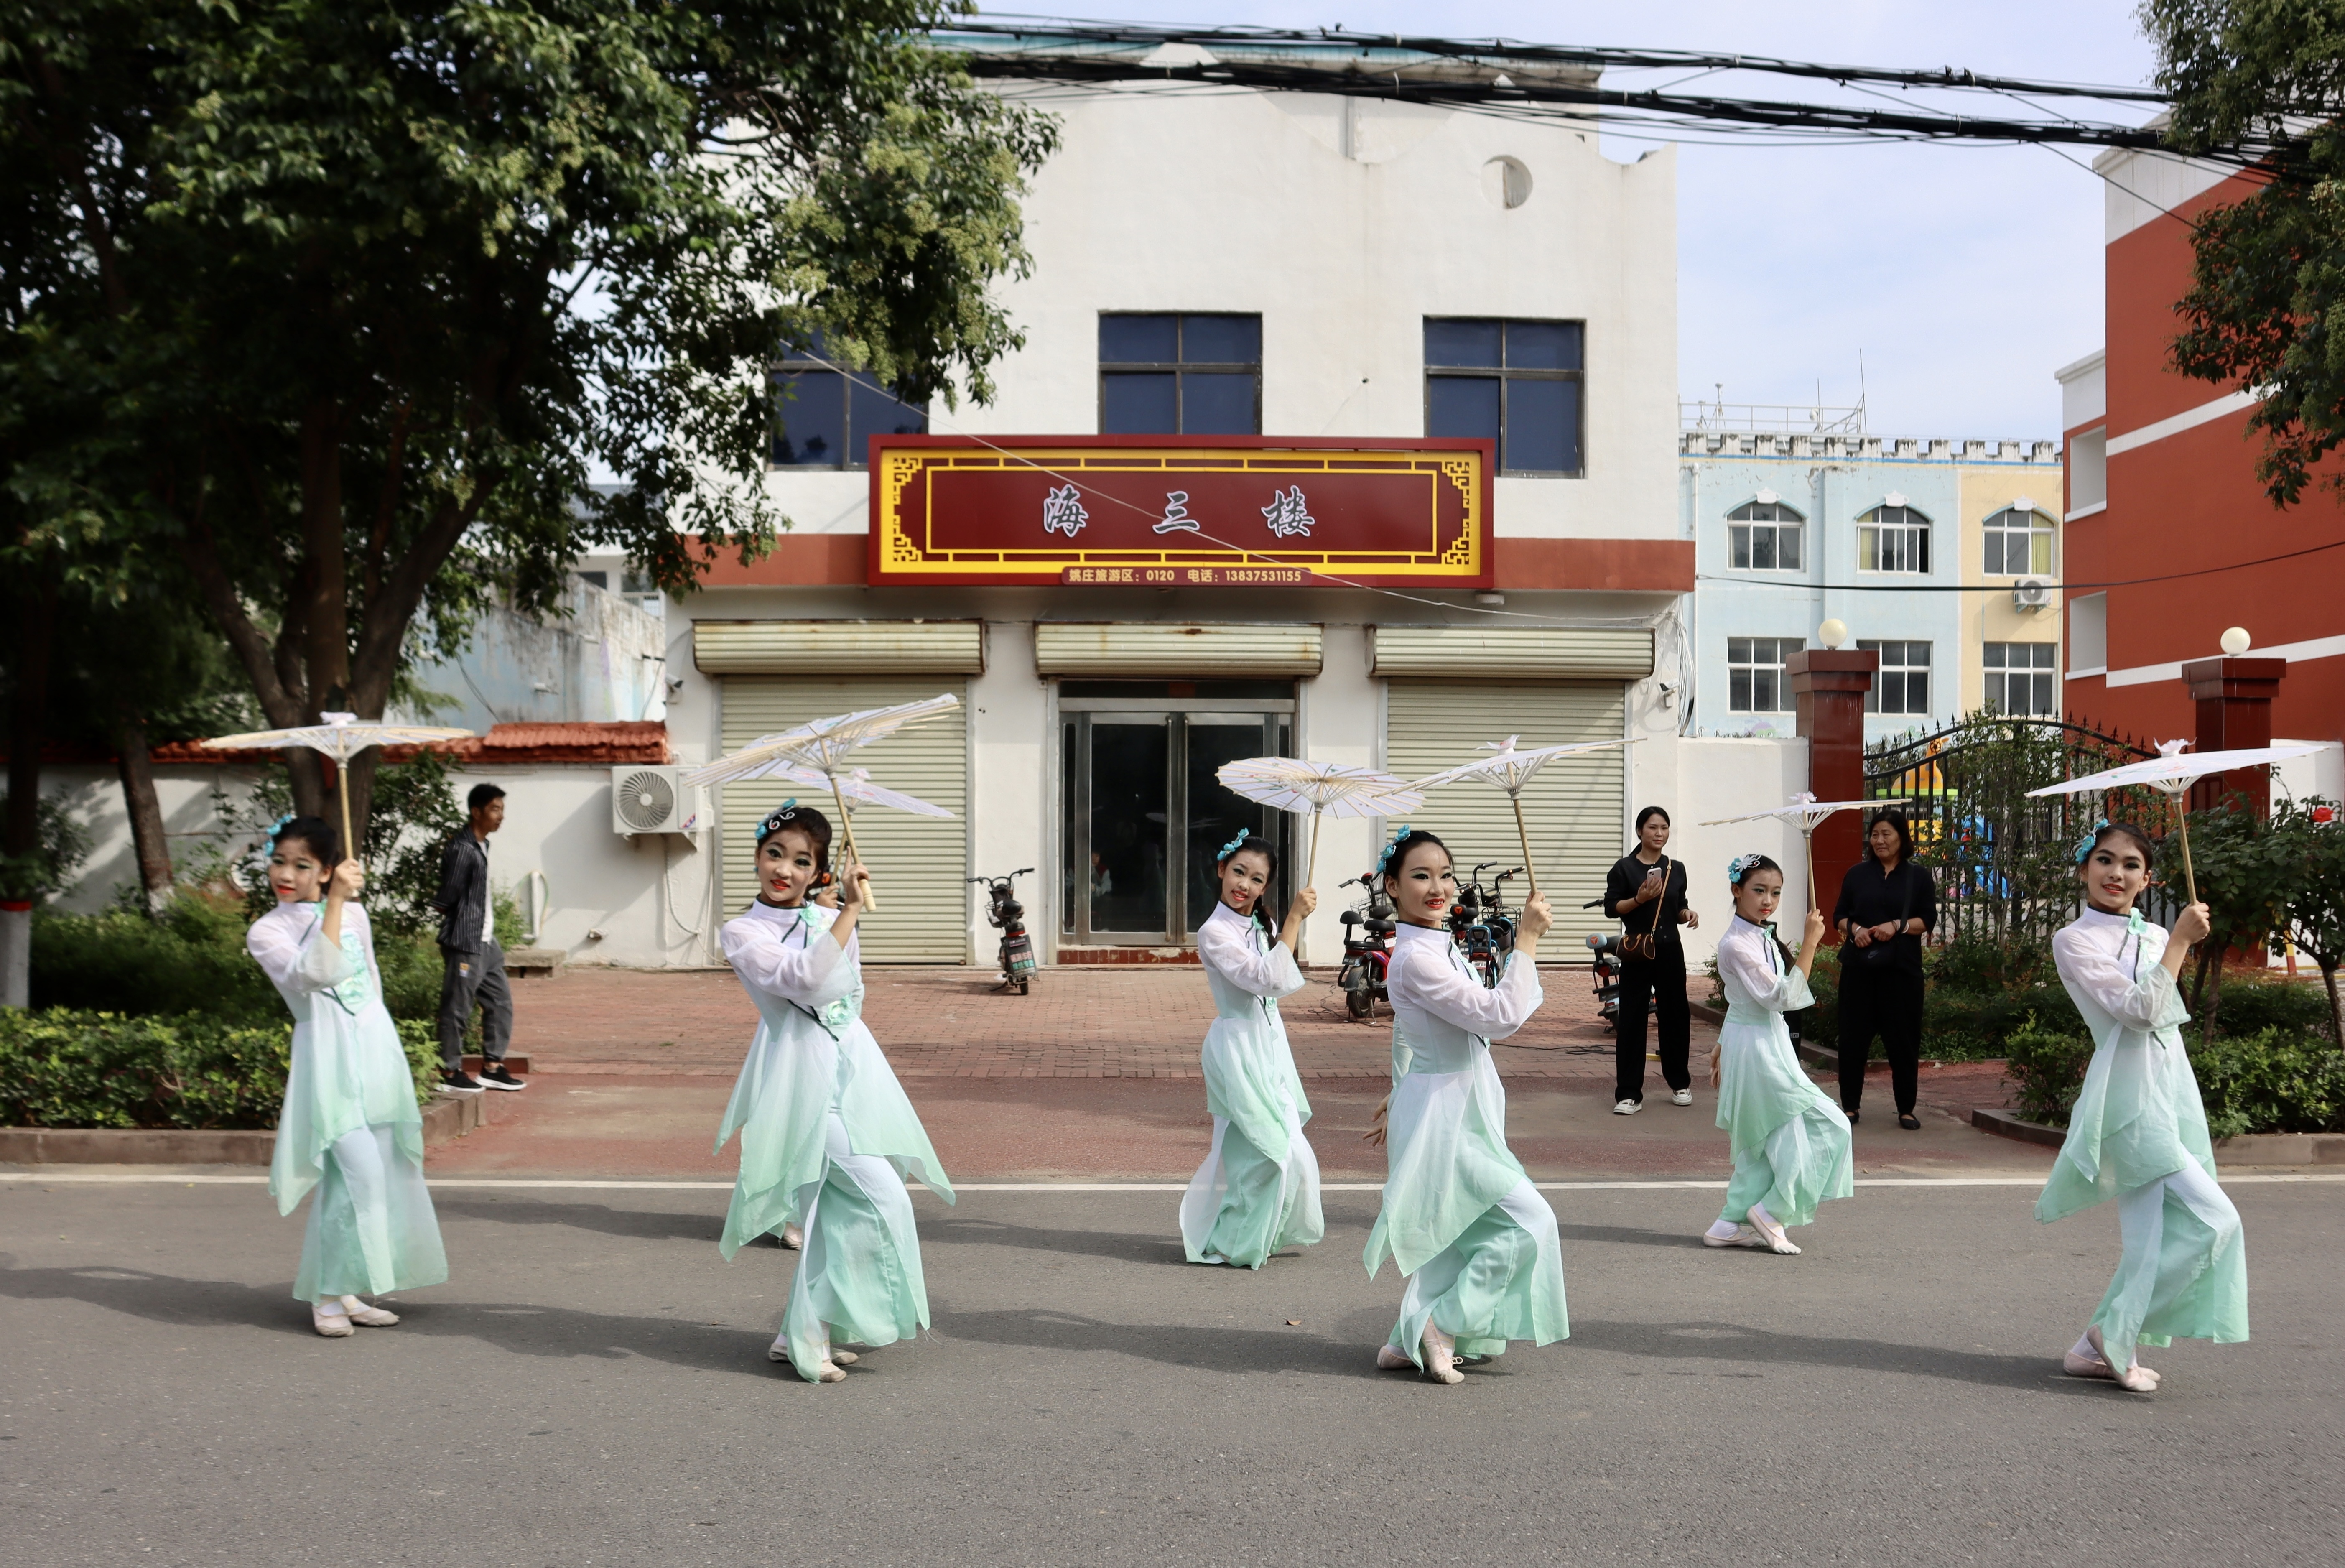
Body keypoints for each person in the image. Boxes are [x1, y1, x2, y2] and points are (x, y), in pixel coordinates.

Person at [715, 802, 954, 1384]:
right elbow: (804, 980)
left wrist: (842, 916)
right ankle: (807, 1333)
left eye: (802, 860)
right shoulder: (743, 932)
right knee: (882, 1196)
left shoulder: (823, 920)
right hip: (799, 1078)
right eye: (775, 853)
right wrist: (844, 911)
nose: (785, 869)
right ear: (756, 855)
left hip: (852, 1068)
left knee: (834, 1210)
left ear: (818, 869)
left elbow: (850, 993)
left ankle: (803, 1329)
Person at [2039, 821, 2244, 1394]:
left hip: (2170, 1086)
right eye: (2104, 860)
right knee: (2215, 1218)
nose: (2116, 873)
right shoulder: (2074, 939)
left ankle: (2093, 1347)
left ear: (2146, 877)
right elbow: (2136, 1010)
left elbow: (2165, 1011)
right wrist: (2179, 942)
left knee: (2156, 1234)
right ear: (2083, 869)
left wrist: (2173, 938)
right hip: (2125, 1094)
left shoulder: (2153, 932)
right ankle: (2115, 1333)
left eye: (2130, 864)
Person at [1363, 827, 1568, 1385]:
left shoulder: (1437, 941)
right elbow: (1498, 1016)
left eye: (1446, 873)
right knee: (1529, 1222)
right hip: (1445, 1115)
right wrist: (1525, 938)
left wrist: (1397, 1087)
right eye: (1421, 875)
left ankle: (1406, 1339)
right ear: (1391, 885)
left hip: (1451, 1101)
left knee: (1456, 1232)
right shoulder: (1413, 958)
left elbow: (1416, 1032)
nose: (1438, 886)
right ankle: (1441, 1321)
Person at [247, 815, 448, 1337]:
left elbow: (371, 983)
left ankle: (342, 1290)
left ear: (327, 869)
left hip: (373, 1048)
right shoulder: (267, 931)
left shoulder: (356, 916)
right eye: (279, 861)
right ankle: (326, 1293)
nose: (285, 874)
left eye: (301, 865)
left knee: (379, 1174)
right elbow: (314, 975)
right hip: (327, 1057)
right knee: (359, 1172)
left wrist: (387, 1049)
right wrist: (334, 902)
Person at [1179, 828, 1323, 1269]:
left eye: (1257, 879)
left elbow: (1280, 983)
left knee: (1290, 1151)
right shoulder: (1214, 932)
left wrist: (1287, 926)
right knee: (1267, 1150)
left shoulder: (1264, 924)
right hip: (1237, 1048)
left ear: (1266, 887)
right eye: (1238, 872)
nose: (1245, 884)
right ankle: (1230, 1239)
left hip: (1269, 1043)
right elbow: (1264, 979)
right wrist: (1296, 921)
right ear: (1222, 870)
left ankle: (1263, 1231)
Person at [1703, 853, 1853, 1255]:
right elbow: (1780, 998)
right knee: (1823, 1128)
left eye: (1775, 892)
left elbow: (1741, 1000)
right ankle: (1770, 1212)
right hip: (1758, 1049)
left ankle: (1728, 1223)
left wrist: (1720, 1042)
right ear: (1737, 891)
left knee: (1766, 1140)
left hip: (1758, 1042)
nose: (1768, 900)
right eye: (1758, 890)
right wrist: (1810, 942)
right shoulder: (1738, 943)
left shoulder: (1757, 935)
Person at [1832, 807, 1937, 1129]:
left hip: (1901, 974)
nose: (1879, 840)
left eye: (1886, 834)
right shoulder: (1857, 874)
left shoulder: (1917, 876)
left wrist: (1896, 926)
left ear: (1902, 837)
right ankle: (1850, 1106)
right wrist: (1856, 930)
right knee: (1852, 1041)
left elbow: (1927, 920)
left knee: (1903, 1041)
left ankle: (1906, 1108)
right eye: (1875, 834)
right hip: (1859, 972)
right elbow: (1840, 915)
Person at [1603, 805, 1699, 1114]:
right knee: (1632, 1019)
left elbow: (1679, 906)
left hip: (1670, 949)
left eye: (1664, 828)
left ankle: (1679, 1082)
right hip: (1638, 950)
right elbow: (1612, 907)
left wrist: (1688, 914)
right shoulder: (1624, 868)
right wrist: (1640, 899)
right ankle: (1629, 1093)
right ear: (1640, 831)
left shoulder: (1676, 867)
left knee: (1675, 1016)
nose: (1660, 834)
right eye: (1653, 828)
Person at [432, 782, 523, 1094]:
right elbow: (448, 894)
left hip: (487, 941)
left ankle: (492, 1068)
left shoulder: (482, 846)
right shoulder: (462, 848)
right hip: (465, 941)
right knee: (457, 1007)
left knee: (500, 1002)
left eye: (502, 810)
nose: (501, 817)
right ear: (476, 812)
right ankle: (450, 1070)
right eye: (496, 809)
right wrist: (454, 922)